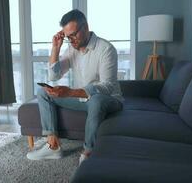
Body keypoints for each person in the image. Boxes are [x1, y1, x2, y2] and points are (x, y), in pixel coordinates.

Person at [26, 9, 124, 164]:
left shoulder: (106, 49)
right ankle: (53, 146)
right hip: (83, 99)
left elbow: (108, 86)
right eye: (67, 37)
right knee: (43, 92)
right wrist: (55, 48)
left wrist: (71, 92)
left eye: (73, 35)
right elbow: (54, 76)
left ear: (85, 27)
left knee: (97, 100)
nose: (71, 40)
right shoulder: (72, 48)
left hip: (110, 100)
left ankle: (88, 153)